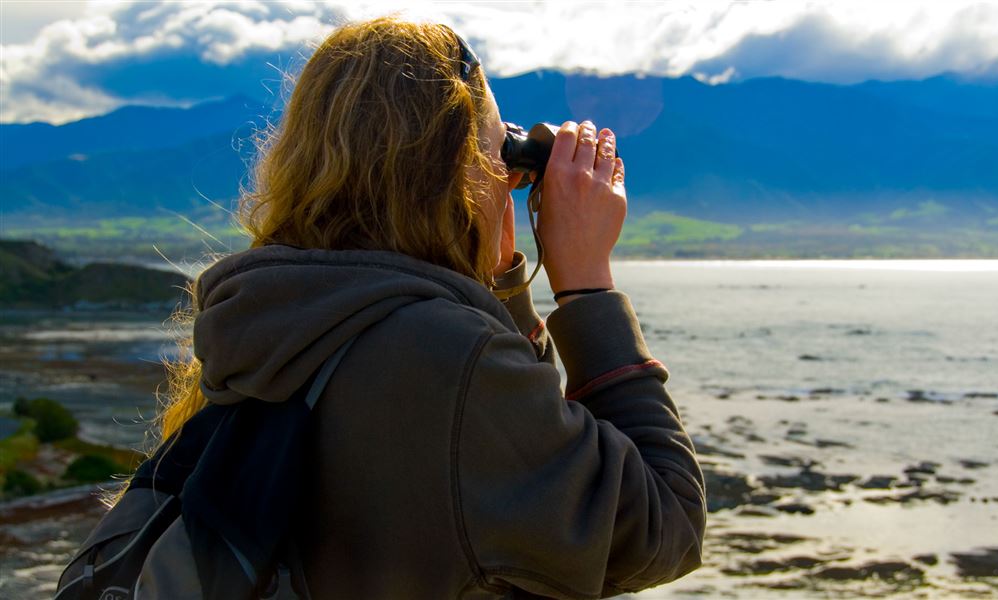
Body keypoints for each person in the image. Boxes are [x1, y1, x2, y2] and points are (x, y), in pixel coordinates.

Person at [158, 16, 707, 599]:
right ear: (457, 169)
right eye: (501, 147)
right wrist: (587, 285)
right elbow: (664, 527)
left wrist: (501, 281)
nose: (511, 174)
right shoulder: (443, 358)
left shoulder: (273, 316)